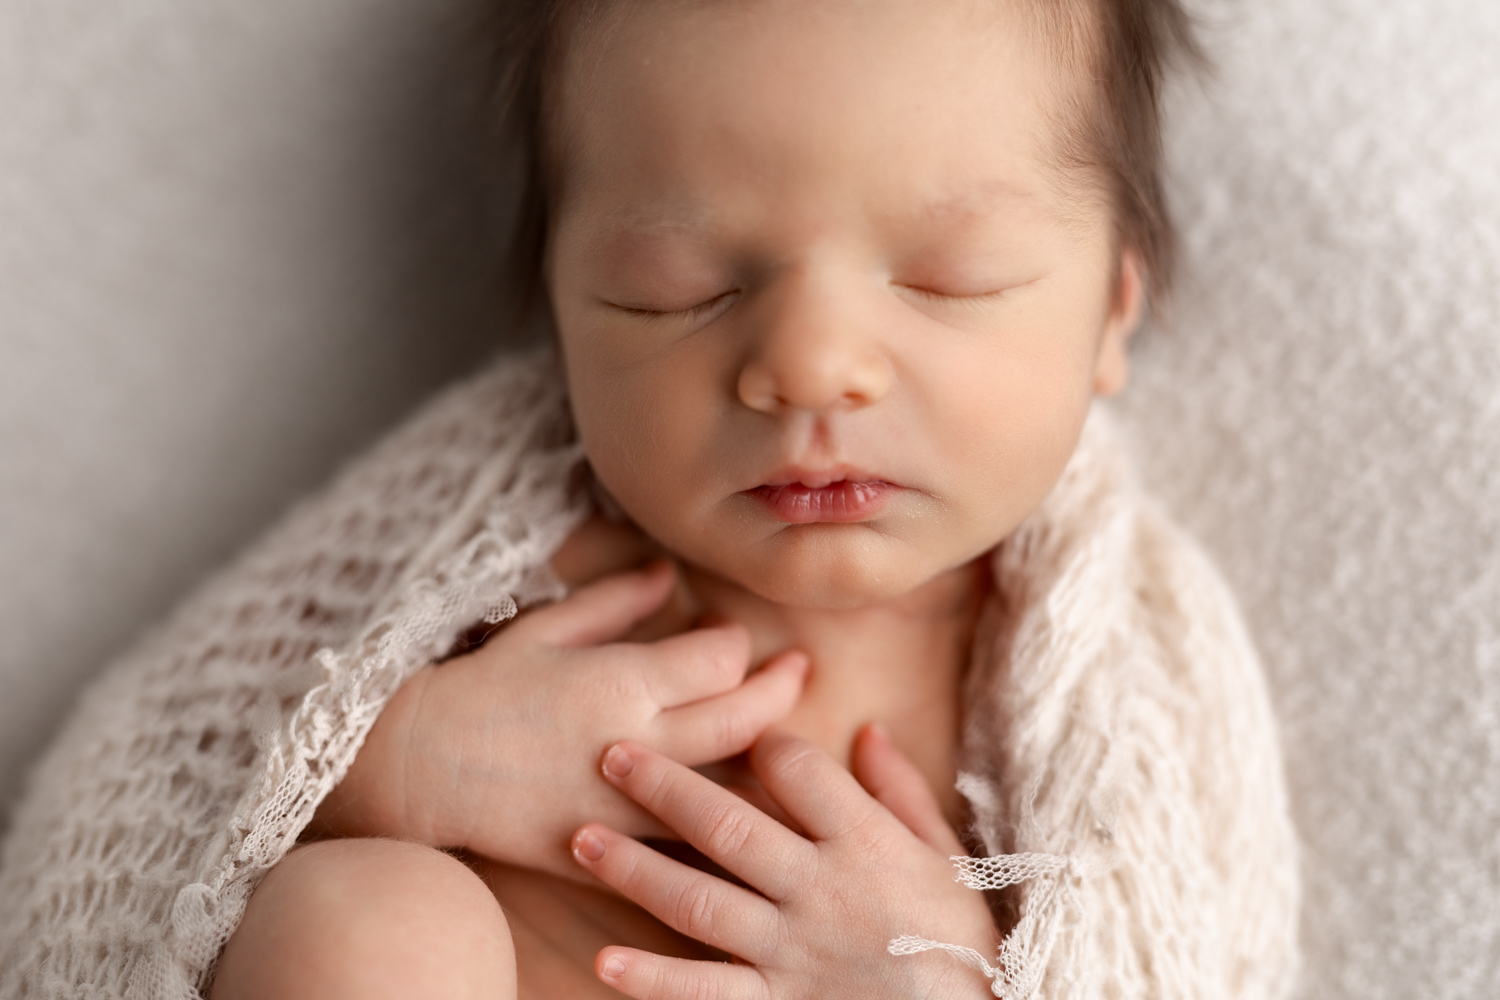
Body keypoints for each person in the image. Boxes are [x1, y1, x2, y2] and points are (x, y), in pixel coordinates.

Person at [0, 0, 1299, 997]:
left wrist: (934, 962)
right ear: (564, 320)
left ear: (1112, 311)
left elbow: (1176, 939)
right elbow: (138, 794)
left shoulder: (1121, 676)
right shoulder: (504, 536)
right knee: (365, 921)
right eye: (679, 288)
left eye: (948, 277)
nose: (809, 365)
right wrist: (386, 764)